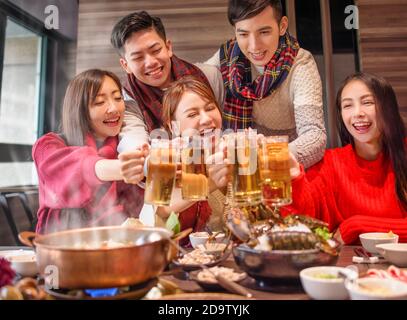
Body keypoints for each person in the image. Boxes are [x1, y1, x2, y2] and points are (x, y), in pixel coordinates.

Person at [288, 72, 407, 244]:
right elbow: (298, 221)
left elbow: (354, 228)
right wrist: (294, 179)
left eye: (367, 102)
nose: (357, 113)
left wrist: (356, 227)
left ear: (387, 107)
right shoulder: (330, 163)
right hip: (349, 269)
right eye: (347, 106)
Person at [205, 0, 326, 168]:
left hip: (287, 170)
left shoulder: (301, 65)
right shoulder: (228, 57)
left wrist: (264, 159)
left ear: (282, 26)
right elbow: (192, 80)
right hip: (242, 169)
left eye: (264, 32)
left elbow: (315, 136)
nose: (254, 46)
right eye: (244, 34)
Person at [32, 69, 148, 234]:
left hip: (120, 246)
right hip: (61, 246)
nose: (114, 108)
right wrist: (123, 168)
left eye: (118, 98)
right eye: (100, 102)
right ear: (79, 109)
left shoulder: (127, 146)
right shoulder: (48, 145)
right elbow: (77, 168)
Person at [110, 10, 224, 154]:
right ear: (125, 65)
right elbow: (133, 140)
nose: (150, 62)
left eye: (156, 50)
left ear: (168, 47)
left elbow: (228, 127)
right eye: (138, 57)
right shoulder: (126, 100)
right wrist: (139, 153)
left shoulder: (208, 76)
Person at [156, 76, 230, 234]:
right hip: (185, 254)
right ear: (173, 125)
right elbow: (160, 211)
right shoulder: (167, 157)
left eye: (210, 108)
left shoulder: (238, 149)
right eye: (192, 114)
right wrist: (210, 183)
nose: (206, 119)